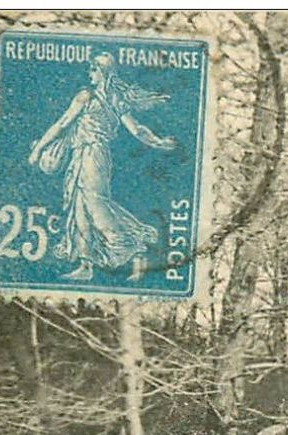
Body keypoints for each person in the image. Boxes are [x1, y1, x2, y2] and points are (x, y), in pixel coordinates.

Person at [27, 54, 177, 282]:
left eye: (93, 70)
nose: (90, 74)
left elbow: (63, 123)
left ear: (103, 72)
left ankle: (134, 244)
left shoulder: (94, 97)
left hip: (94, 155)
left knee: (96, 206)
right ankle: (86, 264)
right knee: (79, 210)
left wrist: (38, 150)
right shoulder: (102, 97)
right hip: (81, 155)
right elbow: (65, 123)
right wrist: (157, 141)